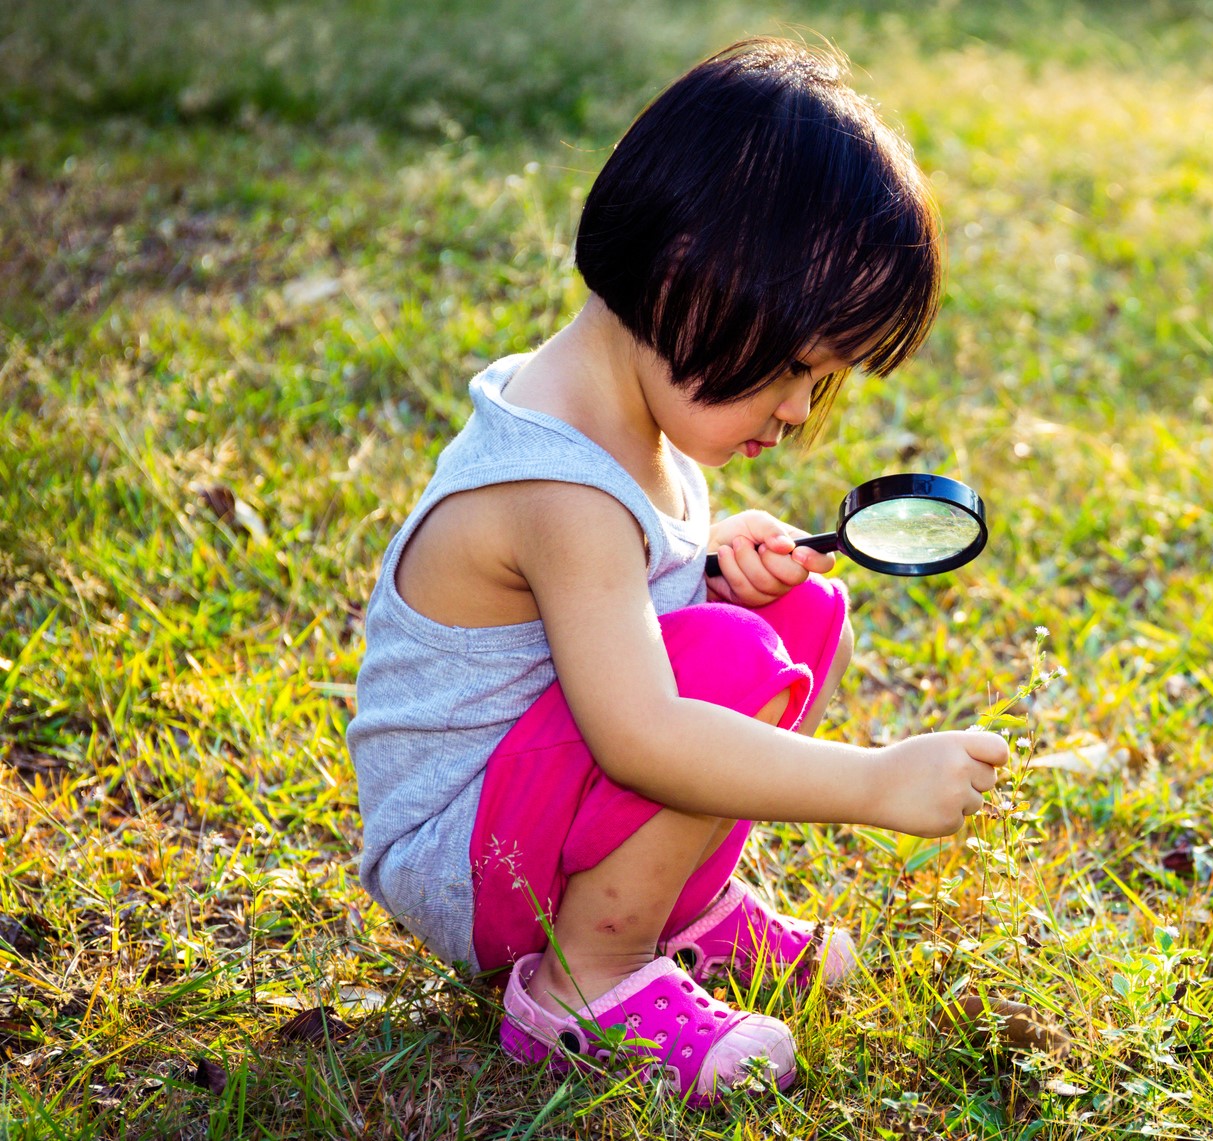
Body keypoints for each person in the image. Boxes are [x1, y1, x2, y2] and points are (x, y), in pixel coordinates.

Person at [345, 38, 1009, 1107]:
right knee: (733, 661)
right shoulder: (559, 485)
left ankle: (679, 914)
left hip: (529, 805)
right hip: (467, 860)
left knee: (800, 604)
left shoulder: (624, 411)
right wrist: (873, 782)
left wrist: (704, 561)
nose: (798, 410)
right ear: (686, 275)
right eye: (796, 368)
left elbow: (607, 613)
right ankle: (584, 982)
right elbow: (640, 733)